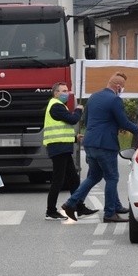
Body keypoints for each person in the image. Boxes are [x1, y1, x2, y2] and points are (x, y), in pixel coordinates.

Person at [61, 72, 138, 223]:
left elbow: (86, 120)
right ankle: (109, 213)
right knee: (112, 177)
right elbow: (123, 122)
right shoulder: (114, 100)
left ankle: (71, 203)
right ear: (118, 86)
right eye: (122, 88)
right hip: (105, 145)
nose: (122, 90)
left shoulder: (93, 97)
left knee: (94, 176)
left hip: (90, 142)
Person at [43, 82, 98, 220]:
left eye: (67, 91)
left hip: (62, 147)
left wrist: (74, 138)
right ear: (56, 93)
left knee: (73, 179)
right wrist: (79, 109)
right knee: (58, 180)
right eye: (63, 91)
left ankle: (79, 207)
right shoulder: (56, 106)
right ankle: (50, 211)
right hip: (58, 148)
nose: (66, 93)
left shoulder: (59, 106)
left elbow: (62, 128)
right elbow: (73, 120)